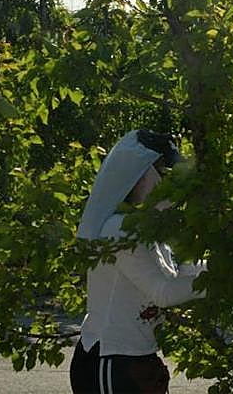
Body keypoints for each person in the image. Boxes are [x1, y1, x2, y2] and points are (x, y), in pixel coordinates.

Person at [69, 129, 204, 394]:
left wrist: (228, 264)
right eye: (163, 172)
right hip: (110, 360)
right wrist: (222, 280)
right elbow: (163, 292)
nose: (171, 182)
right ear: (140, 175)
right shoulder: (119, 229)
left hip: (136, 357)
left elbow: (183, 274)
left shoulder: (150, 231)